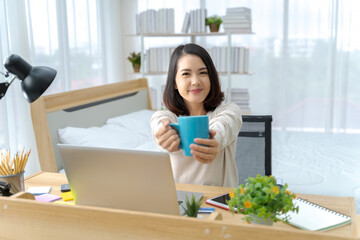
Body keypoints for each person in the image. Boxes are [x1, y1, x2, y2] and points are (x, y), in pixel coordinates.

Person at [150, 43, 242, 187]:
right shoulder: (165, 116)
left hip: (219, 203)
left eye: (203, 73)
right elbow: (159, 124)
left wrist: (213, 141)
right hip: (177, 203)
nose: (196, 81)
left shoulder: (229, 111)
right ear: (174, 82)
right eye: (186, 74)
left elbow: (222, 128)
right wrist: (163, 134)